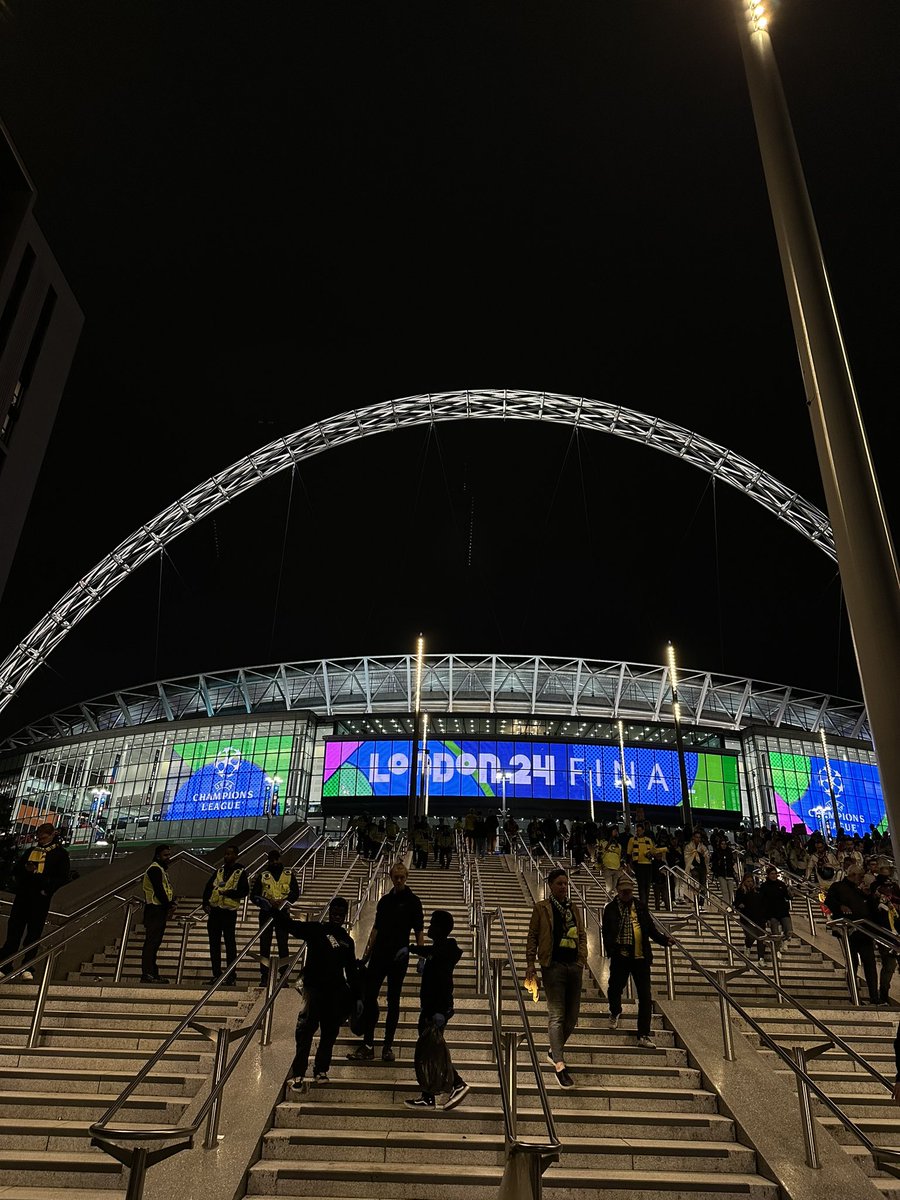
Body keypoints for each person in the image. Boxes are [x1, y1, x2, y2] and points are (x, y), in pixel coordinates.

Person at [279, 895, 361, 1090]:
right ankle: (299, 1072)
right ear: (330, 912)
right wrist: (276, 910)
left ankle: (321, 1069)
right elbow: (292, 927)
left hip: (334, 991)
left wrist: (357, 996)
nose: (337, 917)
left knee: (329, 1033)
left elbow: (351, 971)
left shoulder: (347, 941)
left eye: (341, 914)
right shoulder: (317, 930)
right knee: (306, 1031)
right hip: (314, 989)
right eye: (335, 913)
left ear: (345, 915)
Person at [347, 860, 424, 1062]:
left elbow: (419, 930)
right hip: (380, 954)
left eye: (401, 878)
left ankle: (387, 1046)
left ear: (406, 878)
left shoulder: (414, 902)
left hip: (398, 955)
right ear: (391, 878)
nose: (398, 881)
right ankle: (369, 1043)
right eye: (395, 877)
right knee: (371, 997)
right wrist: (366, 954)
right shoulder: (384, 901)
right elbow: (375, 929)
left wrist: (420, 955)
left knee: (393, 1000)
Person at [524, 867, 587, 1088]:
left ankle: (553, 1050)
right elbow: (532, 935)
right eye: (559, 883)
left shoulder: (574, 908)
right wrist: (530, 963)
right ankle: (559, 1064)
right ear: (550, 885)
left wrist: (581, 958)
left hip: (573, 965)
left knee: (572, 1017)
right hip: (552, 966)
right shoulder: (542, 908)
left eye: (565, 883)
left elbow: (581, 934)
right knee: (557, 1015)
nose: (563, 887)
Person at [403, 908, 469, 1110]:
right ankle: (429, 1095)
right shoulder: (439, 950)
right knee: (430, 1051)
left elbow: (443, 982)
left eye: (432, 924)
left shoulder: (446, 950)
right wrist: (414, 950)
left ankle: (457, 1084)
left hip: (436, 1009)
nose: (429, 928)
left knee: (433, 1051)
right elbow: (430, 952)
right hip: (432, 1008)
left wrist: (442, 1010)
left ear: (440, 928)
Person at [602, 872, 673, 1048]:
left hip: (640, 956)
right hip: (621, 955)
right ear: (618, 891)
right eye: (624, 891)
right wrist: (611, 950)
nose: (627, 894)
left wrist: (664, 940)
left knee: (645, 996)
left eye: (629, 891)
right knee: (615, 988)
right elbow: (607, 932)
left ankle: (643, 1034)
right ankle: (615, 1011)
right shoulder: (610, 909)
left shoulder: (640, 907)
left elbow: (650, 929)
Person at [0, 823, 70, 980]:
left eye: (44, 837)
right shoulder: (31, 851)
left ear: (52, 835)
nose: (41, 840)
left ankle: (27, 966)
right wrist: (27, 871)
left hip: (40, 898)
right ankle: (6, 965)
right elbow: (16, 871)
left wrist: (47, 887)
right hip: (24, 896)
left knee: (33, 933)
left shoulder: (59, 854)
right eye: (39, 837)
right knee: (14, 932)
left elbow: (62, 877)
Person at [824, 864, 879, 1005]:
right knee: (852, 962)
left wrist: (870, 896)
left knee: (870, 963)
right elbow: (828, 900)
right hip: (848, 930)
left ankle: (874, 996)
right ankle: (855, 996)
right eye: (860, 876)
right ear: (853, 875)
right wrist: (840, 907)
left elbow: (872, 909)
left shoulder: (860, 891)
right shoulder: (837, 887)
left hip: (864, 930)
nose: (861, 879)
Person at [250, 849, 300, 986]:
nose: (274, 862)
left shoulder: (288, 874)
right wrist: (268, 902)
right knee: (264, 945)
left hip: (283, 913)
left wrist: (285, 901)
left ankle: (284, 977)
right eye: (272, 860)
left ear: (280, 859)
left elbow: (296, 893)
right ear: (268, 861)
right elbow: (254, 896)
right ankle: (264, 977)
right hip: (267, 912)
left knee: (283, 944)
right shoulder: (263, 875)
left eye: (276, 859)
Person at [202, 844, 249, 984]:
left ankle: (230, 975)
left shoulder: (240, 872)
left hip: (229, 912)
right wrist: (205, 903)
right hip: (215, 911)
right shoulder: (220, 871)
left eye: (230, 854)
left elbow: (244, 891)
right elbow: (208, 887)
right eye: (225, 854)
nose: (226, 856)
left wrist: (229, 893)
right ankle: (216, 974)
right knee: (214, 943)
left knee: (230, 943)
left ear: (236, 855)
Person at [141, 844, 175, 983]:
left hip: (158, 909)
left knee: (154, 943)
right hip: (155, 909)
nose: (168, 858)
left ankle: (153, 973)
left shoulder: (160, 869)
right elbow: (159, 890)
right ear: (158, 856)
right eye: (165, 855)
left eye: (169, 854)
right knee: (152, 943)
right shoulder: (155, 869)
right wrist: (169, 905)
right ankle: (148, 973)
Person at [869, 878, 900, 1006]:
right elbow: (875, 916)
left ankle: (884, 995)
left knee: (890, 967)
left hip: (896, 935)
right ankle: (883, 995)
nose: (888, 889)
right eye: (885, 887)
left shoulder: (895, 900)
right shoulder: (875, 901)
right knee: (889, 965)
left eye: (890, 887)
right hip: (885, 937)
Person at [758, 865, 793, 958]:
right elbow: (762, 902)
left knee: (789, 929)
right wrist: (765, 917)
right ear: (768, 875)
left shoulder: (781, 884)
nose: (774, 876)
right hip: (771, 913)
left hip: (783, 911)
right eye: (772, 874)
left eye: (775, 874)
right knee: (775, 933)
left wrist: (790, 892)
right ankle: (777, 950)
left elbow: (788, 896)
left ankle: (785, 940)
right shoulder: (764, 886)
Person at [732, 872, 768, 962]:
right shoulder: (741, 891)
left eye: (751, 881)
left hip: (759, 918)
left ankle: (761, 958)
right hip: (747, 918)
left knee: (761, 938)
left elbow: (763, 903)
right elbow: (736, 903)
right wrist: (740, 905)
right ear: (744, 882)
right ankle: (748, 946)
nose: (750, 883)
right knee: (750, 936)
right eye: (748, 881)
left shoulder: (758, 891)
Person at [626, 823, 655, 907]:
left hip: (648, 864)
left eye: (640, 830)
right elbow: (628, 853)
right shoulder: (632, 840)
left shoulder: (648, 840)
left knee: (647, 885)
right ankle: (643, 904)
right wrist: (628, 864)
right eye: (637, 830)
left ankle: (645, 903)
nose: (638, 832)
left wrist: (650, 855)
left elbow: (653, 851)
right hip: (638, 864)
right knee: (641, 885)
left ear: (643, 830)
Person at [711, 835, 739, 907]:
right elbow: (713, 863)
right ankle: (727, 906)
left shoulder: (729, 852)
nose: (723, 846)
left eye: (725, 844)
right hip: (721, 874)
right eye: (722, 844)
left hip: (729, 873)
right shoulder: (716, 853)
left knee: (730, 891)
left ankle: (729, 905)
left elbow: (732, 863)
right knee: (725, 890)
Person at [684, 831, 710, 906]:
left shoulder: (702, 846)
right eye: (696, 837)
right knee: (696, 884)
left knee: (703, 885)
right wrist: (691, 867)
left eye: (699, 837)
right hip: (694, 867)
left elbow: (707, 856)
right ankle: (695, 899)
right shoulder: (688, 847)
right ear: (693, 837)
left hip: (702, 867)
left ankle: (701, 900)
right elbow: (687, 858)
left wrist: (703, 854)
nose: (698, 839)